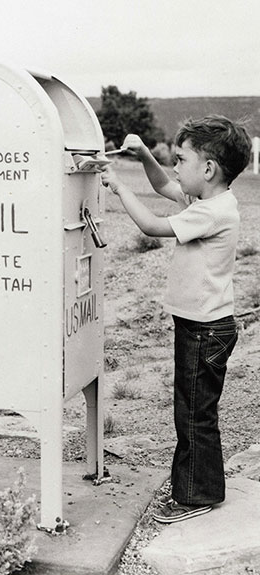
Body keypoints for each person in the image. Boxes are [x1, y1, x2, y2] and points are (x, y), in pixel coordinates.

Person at [100, 115, 252, 523]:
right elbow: (163, 187)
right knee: (192, 410)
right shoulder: (207, 202)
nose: (175, 167)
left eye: (180, 159)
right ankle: (197, 485)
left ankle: (196, 495)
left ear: (208, 169)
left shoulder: (211, 213)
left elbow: (150, 223)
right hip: (200, 325)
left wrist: (118, 185)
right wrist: (146, 155)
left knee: (193, 414)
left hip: (205, 329)